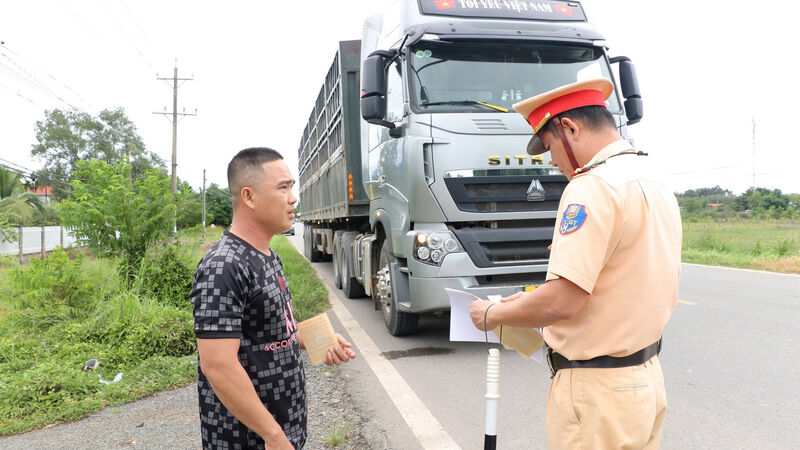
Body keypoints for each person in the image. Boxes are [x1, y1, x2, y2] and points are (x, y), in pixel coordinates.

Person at [470, 79, 682, 449]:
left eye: (550, 147)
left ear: (570, 127)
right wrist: (521, 301)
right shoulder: (653, 181)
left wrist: (493, 314)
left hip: (596, 393)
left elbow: (561, 302)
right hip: (644, 381)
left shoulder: (592, 187)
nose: (552, 161)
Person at [191, 147, 357, 450]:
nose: (293, 198)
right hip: (247, 440)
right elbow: (217, 365)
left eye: (292, 187)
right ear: (249, 197)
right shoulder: (223, 266)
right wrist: (273, 435)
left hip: (284, 432)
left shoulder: (268, 256)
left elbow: (269, 328)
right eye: (283, 188)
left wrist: (318, 339)